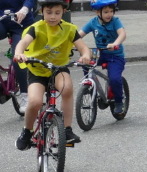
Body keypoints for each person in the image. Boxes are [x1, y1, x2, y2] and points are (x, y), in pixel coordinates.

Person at [14, 0, 90, 150]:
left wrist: (85, 55)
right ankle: (27, 131)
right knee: (35, 102)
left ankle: (67, 130)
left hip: (58, 68)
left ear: (64, 13)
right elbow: (23, 43)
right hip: (38, 69)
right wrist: (19, 53)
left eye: (57, 13)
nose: (53, 17)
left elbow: (83, 48)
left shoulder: (69, 29)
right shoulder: (36, 28)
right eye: (49, 13)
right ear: (42, 12)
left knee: (67, 88)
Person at [79, 0, 126, 114]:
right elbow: (78, 35)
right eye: (105, 12)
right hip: (100, 54)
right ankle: (89, 83)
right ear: (97, 12)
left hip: (115, 55)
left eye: (111, 11)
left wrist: (115, 44)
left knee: (114, 79)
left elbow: (122, 34)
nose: (109, 14)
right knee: (84, 61)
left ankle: (119, 101)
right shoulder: (93, 22)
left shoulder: (115, 21)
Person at [0, 0, 35, 113]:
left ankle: (25, 96)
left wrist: (25, 9)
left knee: (18, 58)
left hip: (21, 23)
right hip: (2, 21)